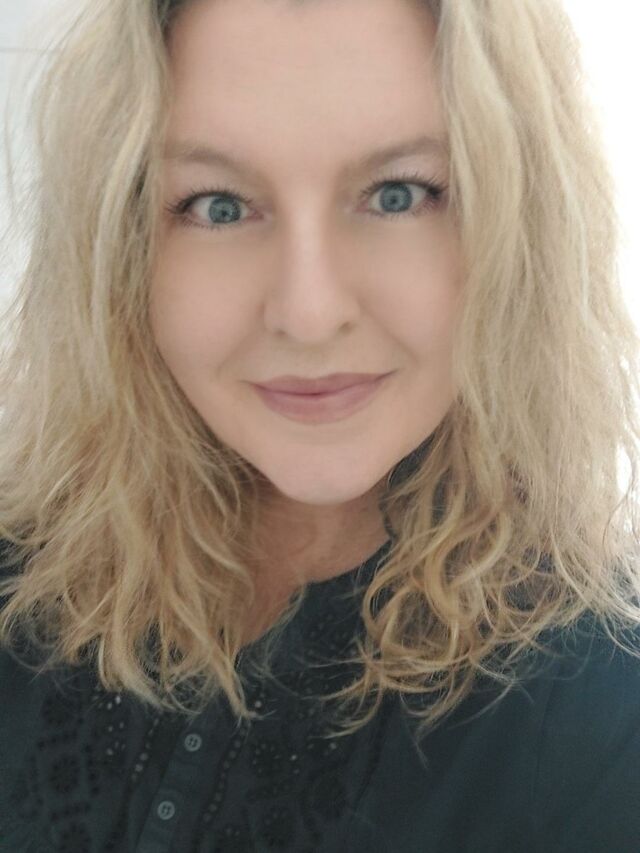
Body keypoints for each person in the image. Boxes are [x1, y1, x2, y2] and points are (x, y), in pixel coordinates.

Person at [0, 0, 639, 850]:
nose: (308, 314)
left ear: (520, 223)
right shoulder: (19, 569)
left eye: (397, 195)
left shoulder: (606, 716)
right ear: (118, 245)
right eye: (219, 206)